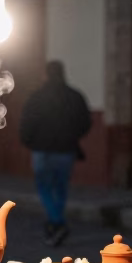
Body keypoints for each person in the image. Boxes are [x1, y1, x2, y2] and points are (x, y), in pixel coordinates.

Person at [19, 60, 92, 247]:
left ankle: (57, 222)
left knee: (44, 188)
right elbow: (86, 122)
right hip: (65, 151)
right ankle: (55, 221)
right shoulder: (75, 96)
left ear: (46, 74)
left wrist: (29, 142)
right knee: (60, 189)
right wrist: (73, 136)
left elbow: (27, 123)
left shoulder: (36, 97)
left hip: (42, 151)